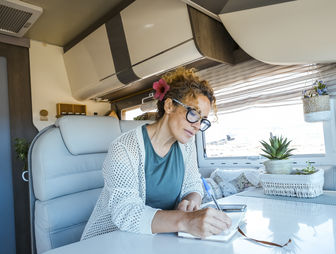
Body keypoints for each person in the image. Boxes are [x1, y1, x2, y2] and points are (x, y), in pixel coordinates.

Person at [81, 67, 231, 240]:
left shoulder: (186, 146)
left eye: (202, 120)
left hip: (158, 239)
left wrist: (191, 202)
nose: (197, 126)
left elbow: (193, 184)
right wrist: (186, 220)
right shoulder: (123, 148)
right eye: (193, 114)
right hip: (112, 240)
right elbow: (126, 212)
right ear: (169, 105)